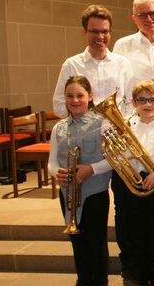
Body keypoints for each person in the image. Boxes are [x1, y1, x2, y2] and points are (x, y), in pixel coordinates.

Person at [111, 80, 154, 285]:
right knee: (137, 238)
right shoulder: (127, 128)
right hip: (134, 186)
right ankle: (144, 278)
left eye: (152, 100)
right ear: (133, 103)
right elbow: (119, 158)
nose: (147, 104)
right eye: (142, 100)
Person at [48, 76, 113, 286]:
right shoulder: (59, 127)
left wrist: (91, 169)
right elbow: (51, 161)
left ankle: (100, 281)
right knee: (77, 242)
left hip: (95, 192)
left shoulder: (103, 123)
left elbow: (115, 160)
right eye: (70, 96)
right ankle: (84, 280)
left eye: (80, 95)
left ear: (90, 96)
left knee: (97, 242)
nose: (75, 100)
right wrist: (56, 173)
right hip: (67, 192)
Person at [52, 5, 133, 118]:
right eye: (95, 31)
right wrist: (83, 123)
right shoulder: (71, 65)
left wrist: (120, 124)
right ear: (85, 32)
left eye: (105, 31)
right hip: (82, 132)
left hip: (116, 131)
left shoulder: (123, 63)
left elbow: (131, 102)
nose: (100, 37)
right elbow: (58, 105)